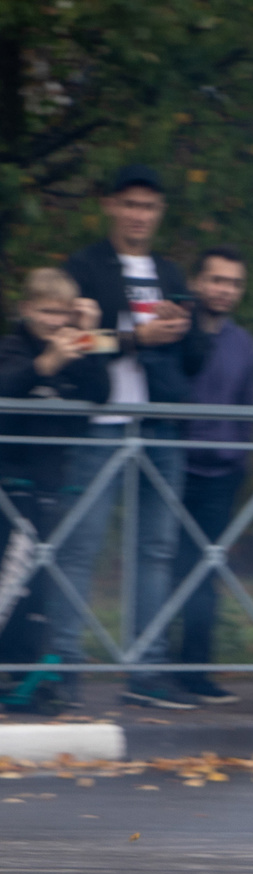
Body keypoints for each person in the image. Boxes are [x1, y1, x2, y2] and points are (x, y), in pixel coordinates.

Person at [59, 165, 204, 701]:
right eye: (131, 204)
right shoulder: (85, 266)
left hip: (159, 424)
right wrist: (135, 336)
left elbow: (194, 360)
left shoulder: (170, 273)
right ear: (111, 206)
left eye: (149, 207)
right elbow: (72, 342)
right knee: (81, 546)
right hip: (99, 424)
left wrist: (182, 329)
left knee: (157, 548)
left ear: (159, 214)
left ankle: (146, 671)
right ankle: (63, 666)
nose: (139, 215)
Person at [0, 270, 112, 709]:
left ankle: (28, 671)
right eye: (46, 311)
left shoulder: (77, 345)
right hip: (12, 483)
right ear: (26, 309)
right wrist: (44, 365)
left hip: (53, 482)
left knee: (40, 584)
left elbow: (101, 392)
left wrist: (90, 334)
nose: (54, 320)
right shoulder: (13, 346)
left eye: (61, 313)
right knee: (11, 580)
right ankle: (17, 667)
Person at [162, 248, 253, 703]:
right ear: (199, 282)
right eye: (217, 280)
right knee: (165, 566)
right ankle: (153, 666)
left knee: (205, 573)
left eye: (233, 283)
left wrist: (238, 460)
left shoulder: (245, 344)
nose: (224, 290)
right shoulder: (177, 329)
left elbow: (247, 408)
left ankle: (197, 669)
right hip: (171, 466)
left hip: (221, 473)